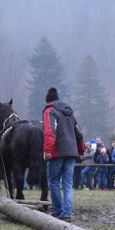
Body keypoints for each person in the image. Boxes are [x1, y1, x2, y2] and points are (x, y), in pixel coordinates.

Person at [42, 87, 84, 221]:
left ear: (47, 101)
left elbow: (50, 132)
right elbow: (79, 133)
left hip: (57, 152)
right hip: (71, 152)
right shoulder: (69, 113)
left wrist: (47, 150)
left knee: (54, 182)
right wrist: (81, 150)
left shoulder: (50, 111)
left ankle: (57, 211)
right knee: (67, 184)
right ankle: (67, 213)